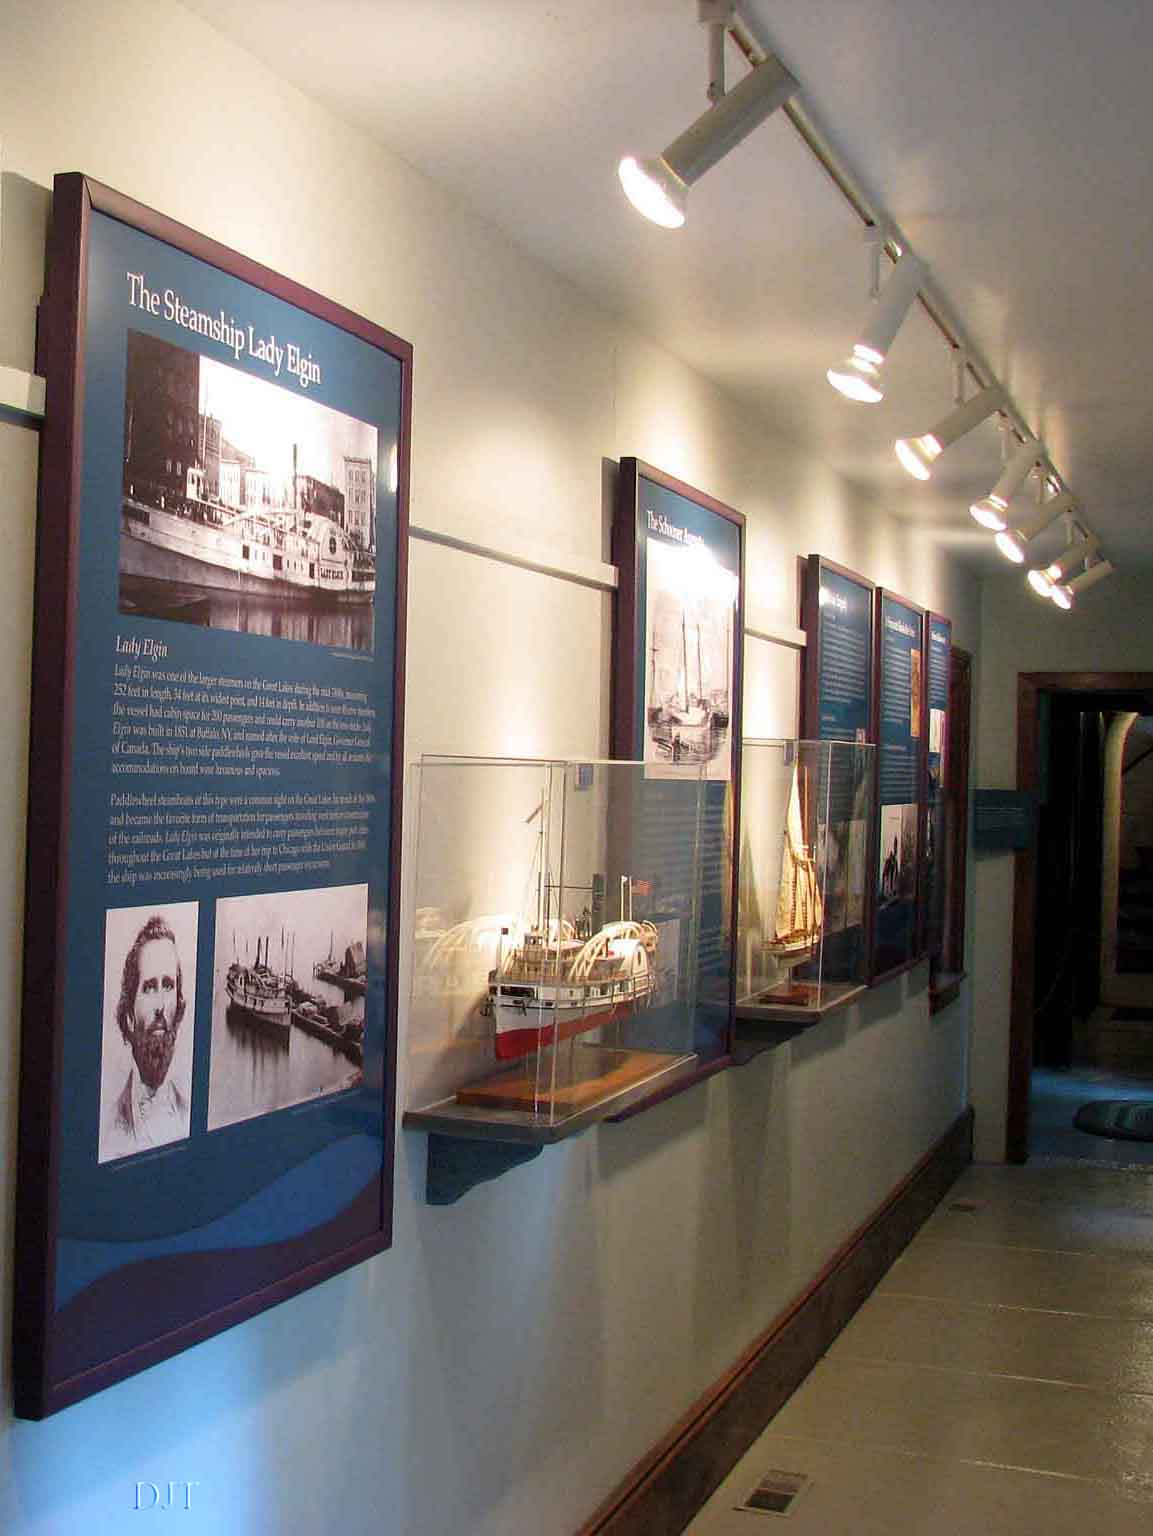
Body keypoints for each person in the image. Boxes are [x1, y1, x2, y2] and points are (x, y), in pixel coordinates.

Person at [101, 913, 191, 1160]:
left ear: (179, 1007)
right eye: (150, 987)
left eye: (169, 985)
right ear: (128, 1015)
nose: (161, 1005)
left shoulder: (188, 1112)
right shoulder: (109, 1133)